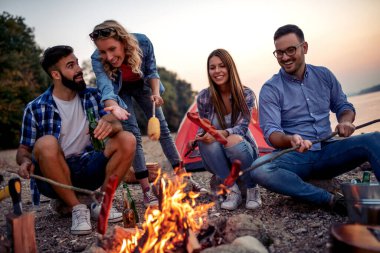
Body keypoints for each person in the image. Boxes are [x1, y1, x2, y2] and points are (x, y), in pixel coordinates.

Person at [253, 24, 380, 215]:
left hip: (329, 151)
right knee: (259, 169)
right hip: (296, 157)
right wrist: (291, 139)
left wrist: (346, 121)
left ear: (304, 48)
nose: (285, 57)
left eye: (290, 50)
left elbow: (343, 107)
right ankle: (330, 200)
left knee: (373, 139)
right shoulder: (270, 89)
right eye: (279, 53)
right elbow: (271, 133)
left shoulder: (324, 75)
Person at [16, 45, 136, 235]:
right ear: (56, 74)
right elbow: (24, 149)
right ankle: (76, 208)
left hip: (90, 168)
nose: (79, 69)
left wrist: (112, 125)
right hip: (53, 179)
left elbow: (118, 125)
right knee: (46, 142)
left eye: (77, 63)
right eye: (71, 66)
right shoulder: (35, 107)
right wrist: (24, 161)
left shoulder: (95, 96)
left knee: (127, 139)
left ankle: (102, 202)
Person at [89, 20, 204, 207]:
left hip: (143, 85)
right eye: (103, 52)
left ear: (123, 42)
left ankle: (186, 179)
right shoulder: (97, 59)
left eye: (112, 49)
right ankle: (146, 191)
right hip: (121, 91)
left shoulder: (142, 43)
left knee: (164, 130)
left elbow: (152, 71)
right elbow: (105, 87)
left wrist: (156, 94)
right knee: (134, 134)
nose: (108, 57)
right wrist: (113, 106)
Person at [194, 49, 262, 210]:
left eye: (221, 66)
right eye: (212, 67)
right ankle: (232, 190)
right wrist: (201, 136)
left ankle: (252, 188)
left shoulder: (245, 94)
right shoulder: (204, 97)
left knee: (232, 140)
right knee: (205, 143)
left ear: (230, 68)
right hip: (217, 157)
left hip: (242, 151)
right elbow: (202, 126)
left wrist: (220, 134)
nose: (217, 71)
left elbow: (242, 127)